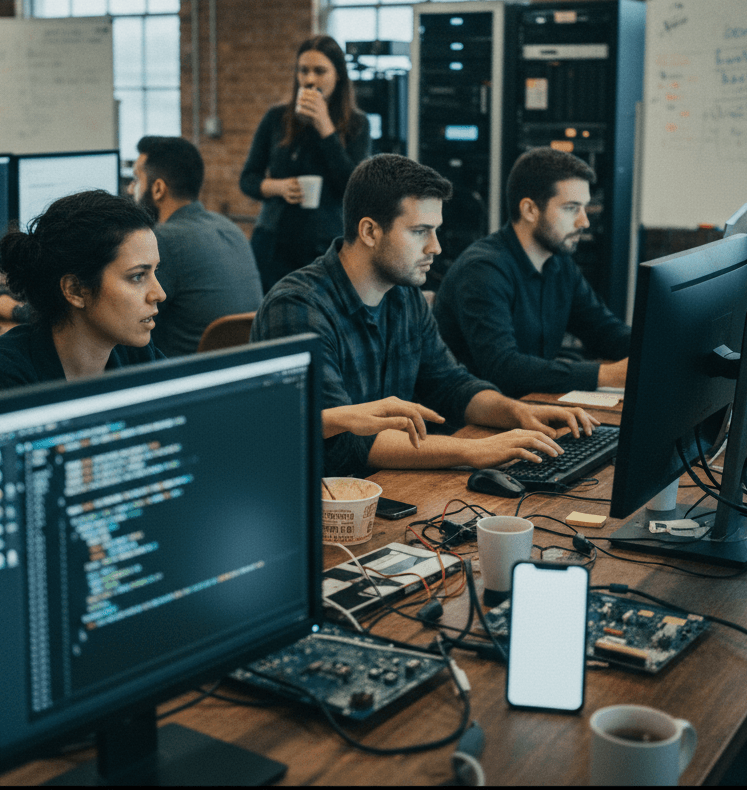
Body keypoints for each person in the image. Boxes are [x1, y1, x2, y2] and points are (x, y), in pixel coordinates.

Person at [250, 154, 597, 477]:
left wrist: (516, 413)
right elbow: (343, 442)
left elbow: (450, 384)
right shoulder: (298, 308)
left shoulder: (404, 295)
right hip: (321, 510)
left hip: (388, 488)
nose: (436, 247)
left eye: (436, 230)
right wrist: (472, 450)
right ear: (370, 231)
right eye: (419, 231)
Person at [0, 190, 166, 597]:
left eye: (155, 273)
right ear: (75, 290)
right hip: (21, 599)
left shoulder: (138, 360)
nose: (158, 292)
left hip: (110, 575)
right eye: (137, 276)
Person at [434, 147, 631, 399]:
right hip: (471, 425)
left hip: (530, 408)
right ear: (529, 210)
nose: (584, 222)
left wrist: (661, 349)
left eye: (585, 208)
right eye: (571, 208)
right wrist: (606, 375)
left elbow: (604, 331)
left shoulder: (558, 263)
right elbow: (503, 369)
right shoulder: (483, 270)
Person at [240, 35, 371, 292]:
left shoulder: (357, 125)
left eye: (320, 71)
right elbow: (248, 178)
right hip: (274, 241)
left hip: (325, 246)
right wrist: (277, 187)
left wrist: (325, 128)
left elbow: (353, 189)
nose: (310, 79)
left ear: (338, 76)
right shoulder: (276, 118)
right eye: (303, 71)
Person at [128, 135, 263, 356]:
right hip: (243, 371)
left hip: (185, 375)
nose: (130, 189)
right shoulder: (230, 228)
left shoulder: (161, 241)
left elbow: (128, 320)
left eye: (136, 179)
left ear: (158, 188)